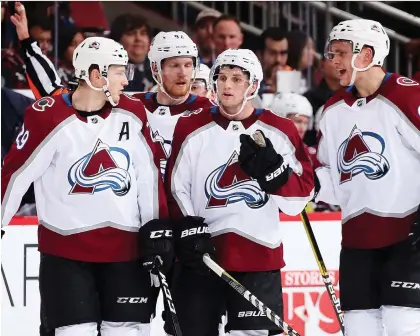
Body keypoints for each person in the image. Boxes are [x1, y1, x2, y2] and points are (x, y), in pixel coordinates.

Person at [1, 36, 173, 336]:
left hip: (126, 253)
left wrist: (156, 231)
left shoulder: (132, 114)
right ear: (97, 75)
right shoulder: (48, 116)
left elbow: (148, 179)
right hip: (66, 256)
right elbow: (16, 175)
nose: (125, 80)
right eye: (119, 72)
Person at [164, 49, 314, 336]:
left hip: (258, 256)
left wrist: (276, 176)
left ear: (253, 85)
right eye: (220, 78)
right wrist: (188, 229)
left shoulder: (279, 129)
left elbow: (298, 202)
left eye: (236, 79)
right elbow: (175, 186)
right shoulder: (190, 125)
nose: (227, 86)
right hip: (201, 255)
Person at [316, 19, 420, 335]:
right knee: (359, 328)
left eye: (341, 52)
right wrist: (279, 178)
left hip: (409, 237)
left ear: (367, 54)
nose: (333, 61)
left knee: (405, 324)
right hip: (357, 241)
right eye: (331, 53)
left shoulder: (407, 96)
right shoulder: (332, 110)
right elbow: (329, 184)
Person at [136, 31, 214, 178]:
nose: (183, 73)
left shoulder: (210, 111)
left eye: (188, 65)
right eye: (174, 65)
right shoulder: (134, 107)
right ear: (155, 68)